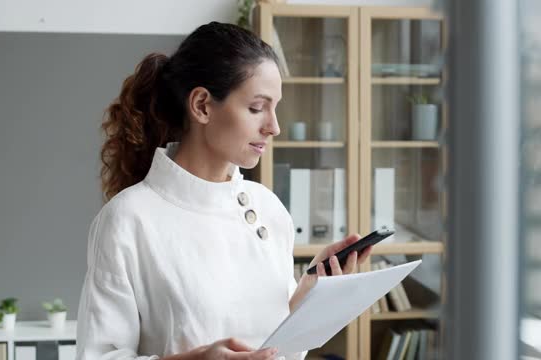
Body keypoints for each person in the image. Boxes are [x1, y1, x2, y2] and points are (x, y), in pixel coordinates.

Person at [76, 22, 373, 360]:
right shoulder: (128, 220)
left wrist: (309, 293)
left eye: (275, 107)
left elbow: (277, 348)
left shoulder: (269, 209)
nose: (274, 126)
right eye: (257, 107)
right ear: (202, 105)